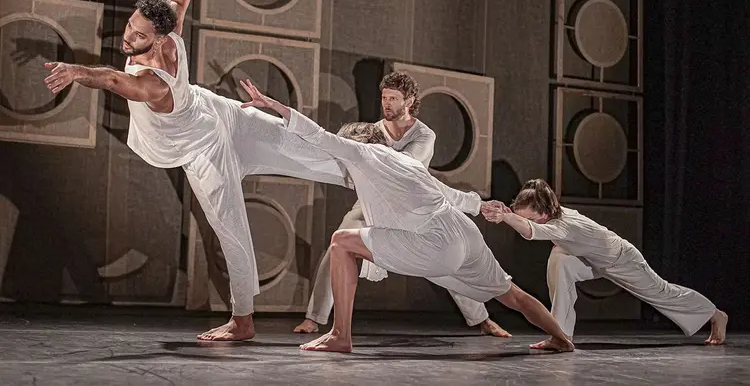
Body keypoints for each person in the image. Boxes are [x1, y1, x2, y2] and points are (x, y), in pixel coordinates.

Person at [42, 0, 352, 341]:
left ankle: (374, 172)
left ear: (160, 37)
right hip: (207, 130)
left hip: (211, 131)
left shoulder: (152, 82)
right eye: (130, 28)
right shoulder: (164, 33)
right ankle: (243, 319)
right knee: (231, 228)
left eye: (138, 36)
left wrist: (76, 70)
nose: (127, 38)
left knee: (301, 149)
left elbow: (113, 78)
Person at [239, 80, 575, 353]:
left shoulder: (364, 152)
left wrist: (273, 106)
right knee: (511, 293)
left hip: (432, 242)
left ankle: (340, 335)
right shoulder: (410, 162)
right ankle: (561, 338)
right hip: (463, 231)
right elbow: (449, 194)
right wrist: (481, 205)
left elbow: (315, 134)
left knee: (341, 242)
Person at [294, 72, 509, 338]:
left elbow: (402, 167)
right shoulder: (374, 130)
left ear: (409, 101)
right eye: (384, 97)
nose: (387, 103)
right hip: (371, 204)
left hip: (412, 209)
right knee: (338, 244)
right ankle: (314, 318)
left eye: (393, 98)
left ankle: (481, 319)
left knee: (446, 265)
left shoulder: (424, 135)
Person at [483, 179, 728, 348]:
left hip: (622, 260)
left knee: (662, 292)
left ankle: (715, 315)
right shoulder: (553, 213)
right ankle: (561, 335)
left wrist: (506, 217)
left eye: (533, 218)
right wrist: (506, 212)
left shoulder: (563, 224)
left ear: (544, 214)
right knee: (561, 261)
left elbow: (529, 231)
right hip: (590, 260)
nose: (530, 221)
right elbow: (525, 222)